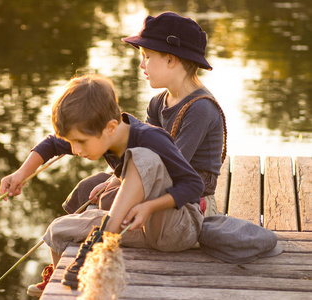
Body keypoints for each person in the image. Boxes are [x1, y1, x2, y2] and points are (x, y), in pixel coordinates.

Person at [1, 73, 205, 296]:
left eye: (80, 142)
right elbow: (51, 144)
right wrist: (20, 174)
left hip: (178, 226)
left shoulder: (151, 138)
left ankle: (101, 240)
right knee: (58, 229)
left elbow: (194, 185)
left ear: (110, 127)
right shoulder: (99, 132)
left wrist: (149, 207)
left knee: (142, 157)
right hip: (139, 228)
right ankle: (61, 287)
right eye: (72, 142)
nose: (75, 150)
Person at [63, 11, 226, 219]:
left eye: (147, 57)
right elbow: (139, 150)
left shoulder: (201, 108)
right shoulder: (157, 103)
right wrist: (113, 179)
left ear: (170, 59)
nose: (142, 64)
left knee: (109, 200)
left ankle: (95, 236)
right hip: (156, 178)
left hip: (186, 196)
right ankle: (69, 236)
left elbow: (172, 166)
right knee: (88, 187)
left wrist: (122, 186)